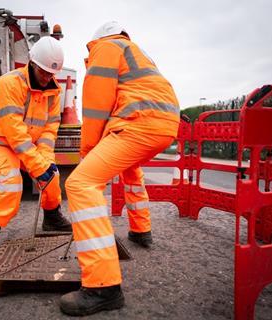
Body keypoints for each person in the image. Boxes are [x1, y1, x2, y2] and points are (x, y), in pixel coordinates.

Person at [59, 21, 180, 316]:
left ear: (95, 40)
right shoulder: (136, 52)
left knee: (81, 184)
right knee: (131, 169)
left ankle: (103, 287)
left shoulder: (106, 48)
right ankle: (141, 231)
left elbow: (97, 105)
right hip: (163, 124)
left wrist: (87, 151)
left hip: (138, 123)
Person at [0, 36, 72, 261]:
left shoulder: (53, 92)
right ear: (32, 63)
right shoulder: (7, 83)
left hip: (26, 142)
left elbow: (49, 129)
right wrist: (37, 166)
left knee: (52, 175)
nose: (48, 78)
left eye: (52, 74)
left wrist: (46, 160)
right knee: (11, 183)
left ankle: (51, 217)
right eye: (44, 72)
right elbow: (14, 132)